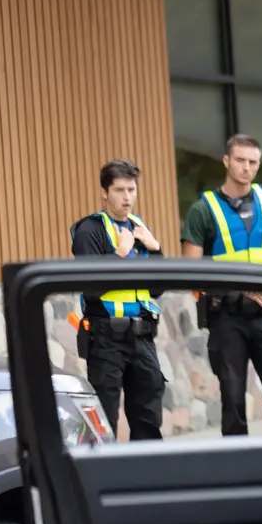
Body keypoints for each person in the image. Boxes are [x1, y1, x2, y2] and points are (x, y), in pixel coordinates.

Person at [180, 133, 262, 436]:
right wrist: (243, 287)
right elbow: (190, 272)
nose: (247, 168)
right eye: (240, 160)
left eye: (253, 162)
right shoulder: (203, 209)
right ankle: (239, 472)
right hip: (226, 319)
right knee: (232, 402)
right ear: (226, 161)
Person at [69, 159, 166, 440]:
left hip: (142, 335)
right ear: (105, 192)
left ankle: (147, 477)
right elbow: (90, 287)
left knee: (148, 415)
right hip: (105, 336)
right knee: (104, 418)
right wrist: (120, 255)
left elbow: (158, 288)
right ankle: (104, 479)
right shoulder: (90, 231)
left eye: (131, 190)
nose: (127, 197)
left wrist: (156, 249)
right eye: (120, 190)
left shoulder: (140, 229)